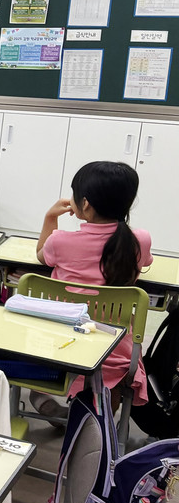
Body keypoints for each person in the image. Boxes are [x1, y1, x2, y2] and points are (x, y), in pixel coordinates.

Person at [37, 161, 153, 410]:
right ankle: (99, 424)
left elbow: (40, 255)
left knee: (37, 394)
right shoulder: (139, 241)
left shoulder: (60, 242)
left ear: (85, 204)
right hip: (114, 351)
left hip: (59, 343)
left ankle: (54, 409)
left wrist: (50, 217)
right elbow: (146, 262)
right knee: (112, 377)